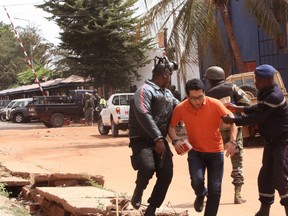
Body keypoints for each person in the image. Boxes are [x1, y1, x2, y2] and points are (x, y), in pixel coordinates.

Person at [222, 64, 288, 216]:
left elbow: (257, 117)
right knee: (265, 177)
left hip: (283, 141)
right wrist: (237, 108)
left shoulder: (274, 96)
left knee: (281, 177)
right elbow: (257, 109)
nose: (255, 83)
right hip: (271, 142)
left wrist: (233, 120)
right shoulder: (266, 92)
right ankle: (264, 211)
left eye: (258, 80)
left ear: (269, 80)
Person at [168, 78, 238, 216]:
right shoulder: (181, 108)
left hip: (216, 152)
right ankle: (200, 194)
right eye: (193, 98)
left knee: (215, 189)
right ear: (188, 96)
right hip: (195, 152)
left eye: (200, 97)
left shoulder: (215, 104)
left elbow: (232, 122)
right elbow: (171, 126)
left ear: (204, 92)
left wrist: (232, 141)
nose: (198, 101)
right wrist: (175, 141)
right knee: (196, 180)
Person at [129, 60, 179, 216]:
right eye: (169, 76)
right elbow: (144, 114)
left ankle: (152, 208)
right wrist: (158, 138)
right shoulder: (144, 91)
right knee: (147, 167)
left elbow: (181, 108)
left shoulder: (168, 94)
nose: (170, 79)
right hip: (142, 139)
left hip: (159, 140)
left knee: (166, 174)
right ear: (165, 75)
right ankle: (139, 191)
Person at [204, 66, 251, 204]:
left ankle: (212, 194)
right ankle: (238, 194)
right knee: (237, 161)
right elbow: (247, 103)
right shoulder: (232, 88)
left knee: (214, 163)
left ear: (211, 79)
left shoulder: (207, 93)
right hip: (234, 129)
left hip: (215, 131)